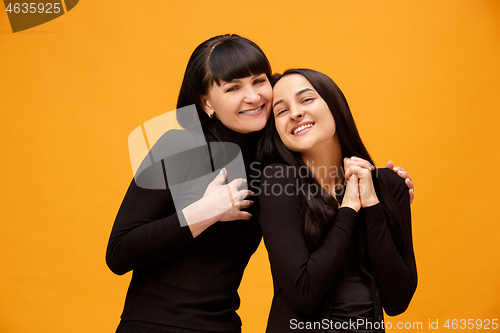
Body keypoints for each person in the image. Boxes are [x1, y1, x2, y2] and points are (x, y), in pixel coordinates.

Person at [106, 35, 414, 333]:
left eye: (258, 80)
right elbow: (119, 253)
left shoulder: (271, 160)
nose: (252, 96)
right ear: (206, 103)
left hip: (224, 326)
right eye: (233, 88)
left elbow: (325, 163)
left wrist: (386, 187)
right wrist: (203, 212)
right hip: (155, 324)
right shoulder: (181, 145)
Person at [259, 69, 417, 333]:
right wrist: (348, 209)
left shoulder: (387, 184)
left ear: (334, 105)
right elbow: (304, 294)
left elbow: (398, 300)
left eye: (306, 99)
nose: (295, 113)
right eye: (281, 111)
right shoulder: (278, 181)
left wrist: (373, 204)